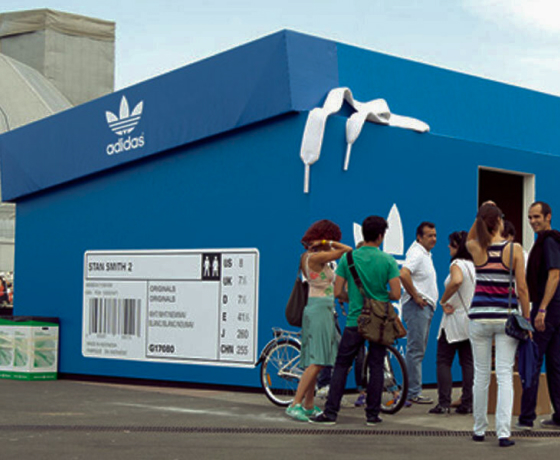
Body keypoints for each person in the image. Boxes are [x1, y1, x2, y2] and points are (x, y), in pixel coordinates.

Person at [309, 215, 401, 425]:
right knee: (376, 366)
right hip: (379, 322)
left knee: (342, 365)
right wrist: (379, 297)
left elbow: (338, 292)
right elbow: (396, 294)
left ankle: (330, 413)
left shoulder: (348, 259)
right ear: (381, 236)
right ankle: (372, 415)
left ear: (363, 234)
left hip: (354, 321)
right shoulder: (388, 260)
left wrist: (352, 298)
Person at [466, 202, 530, 447]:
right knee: (504, 375)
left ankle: (479, 429)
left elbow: (469, 236)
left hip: (479, 317)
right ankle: (503, 433)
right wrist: (527, 320)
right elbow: (522, 288)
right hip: (505, 318)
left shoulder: (475, 247)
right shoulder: (514, 249)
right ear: (500, 222)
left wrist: (481, 213)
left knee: (480, 375)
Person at [285, 219, 352, 421]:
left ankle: (308, 404)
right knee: (318, 361)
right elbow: (347, 250)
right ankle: (295, 404)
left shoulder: (308, 256)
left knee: (316, 361)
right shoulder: (315, 257)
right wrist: (327, 243)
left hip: (320, 308)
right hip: (319, 310)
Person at [517, 201, 560, 430]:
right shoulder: (548, 241)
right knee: (555, 364)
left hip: (548, 310)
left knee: (532, 361)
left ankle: (526, 418)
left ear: (548, 216)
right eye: (530, 217)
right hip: (556, 309)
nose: (533, 221)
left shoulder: (549, 241)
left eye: (537, 217)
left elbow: (555, 275)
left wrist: (542, 308)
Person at [429, 231, 475, 415]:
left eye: (451, 243)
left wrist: (443, 300)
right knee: (468, 362)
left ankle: (444, 403)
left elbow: (456, 281)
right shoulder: (474, 265)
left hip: (454, 319)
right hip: (471, 320)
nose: (448, 246)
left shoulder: (457, 264)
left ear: (458, 245)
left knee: (443, 361)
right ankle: (467, 402)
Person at [400, 221, 438, 404]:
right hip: (418, 307)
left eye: (435, 235)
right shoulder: (417, 253)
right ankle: (412, 392)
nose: (434, 239)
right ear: (419, 237)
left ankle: (412, 390)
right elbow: (404, 273)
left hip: (424, 307)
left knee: (417, 350)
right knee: (415, 350)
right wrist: (415, 296)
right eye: (429, 236)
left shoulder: (424, 254)